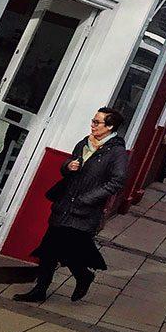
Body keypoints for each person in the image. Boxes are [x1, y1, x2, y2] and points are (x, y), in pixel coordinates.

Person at [15, 108, 129, 303]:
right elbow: (70, 166)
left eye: (97, 122)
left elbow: (117, 182)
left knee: (70, 251)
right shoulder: (84, 143)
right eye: (92, 120)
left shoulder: (117, 152)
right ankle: (40, 290)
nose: (92, 125)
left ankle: (83, 275)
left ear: (110, 127)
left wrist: (88, 198)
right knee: (49, 249)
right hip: (66, 203)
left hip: (85, 210)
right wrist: (67, 166)